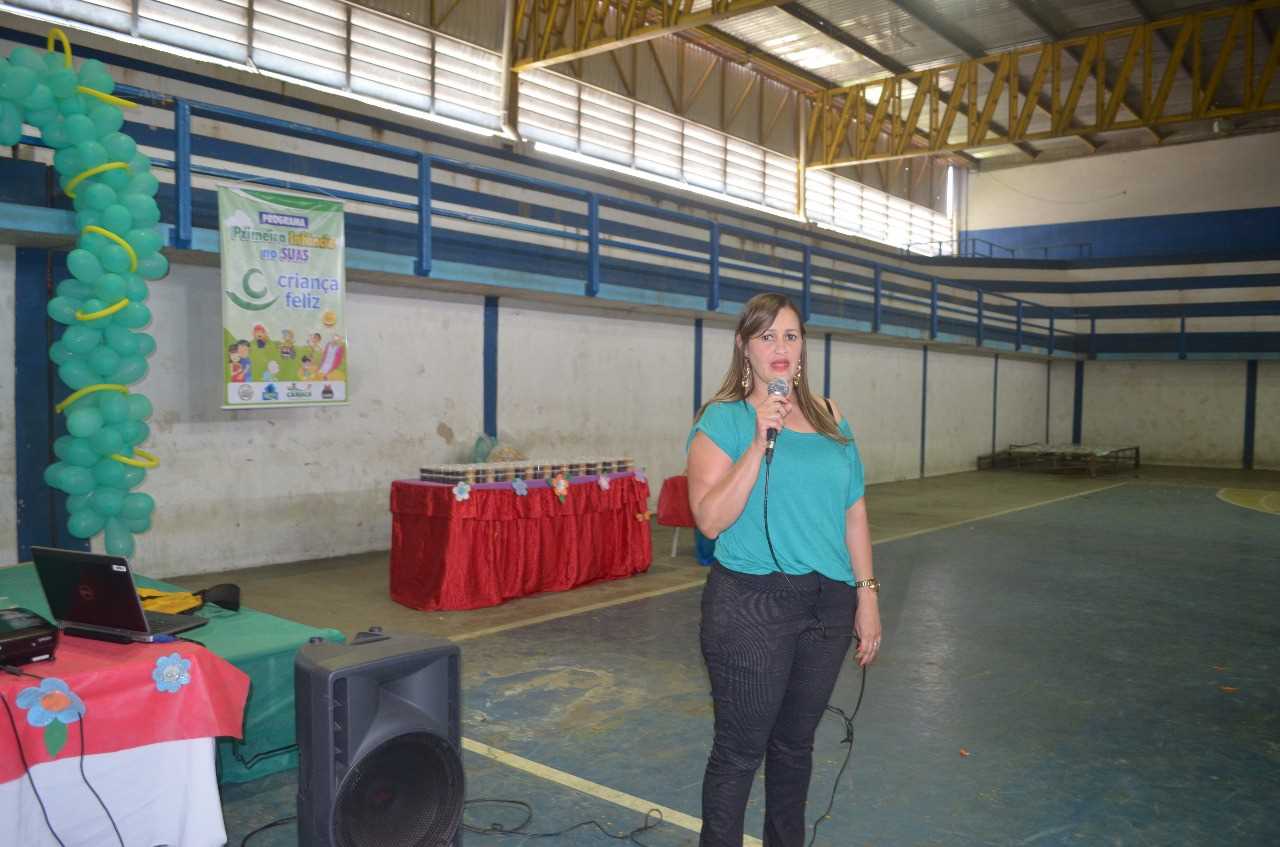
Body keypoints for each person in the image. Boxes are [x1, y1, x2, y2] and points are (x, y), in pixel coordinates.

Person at [686, 292, 882, 847]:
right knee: (739, 752)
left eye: (790, 336)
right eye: (766, 336)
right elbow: (710, 520)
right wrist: (757, 442)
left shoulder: (831, 419)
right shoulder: (721, 420)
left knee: (795, 747)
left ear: (803, 348)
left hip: (828, 606)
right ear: (745, 348)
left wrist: (866, 594)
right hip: (751, 605)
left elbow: (855, 509)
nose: (780, 347)